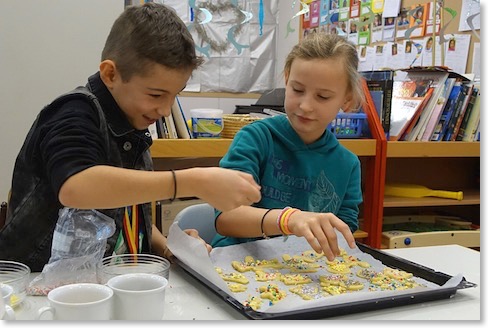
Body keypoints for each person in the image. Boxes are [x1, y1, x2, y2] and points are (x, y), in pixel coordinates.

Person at [0, 2, 261, 272]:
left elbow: (127, 214)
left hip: (107, 280)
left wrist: (168, 246)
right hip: (33, 284)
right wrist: (193, 181)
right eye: (156, 95)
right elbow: (75, 188)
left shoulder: (131, 124)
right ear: (111, 74)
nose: (164, 110)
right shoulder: (74, 113)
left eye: (175, 95)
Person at [211, 33, 364, 261]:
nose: (305, 105)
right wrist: (288, 220)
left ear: (347, 100)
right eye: (298, 90)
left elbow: (344, 230)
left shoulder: (348, 164)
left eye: (322, 97)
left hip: (304, 270)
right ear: (286, 79)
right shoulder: (256, 138)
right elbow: (226, 218)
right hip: (239, 261)